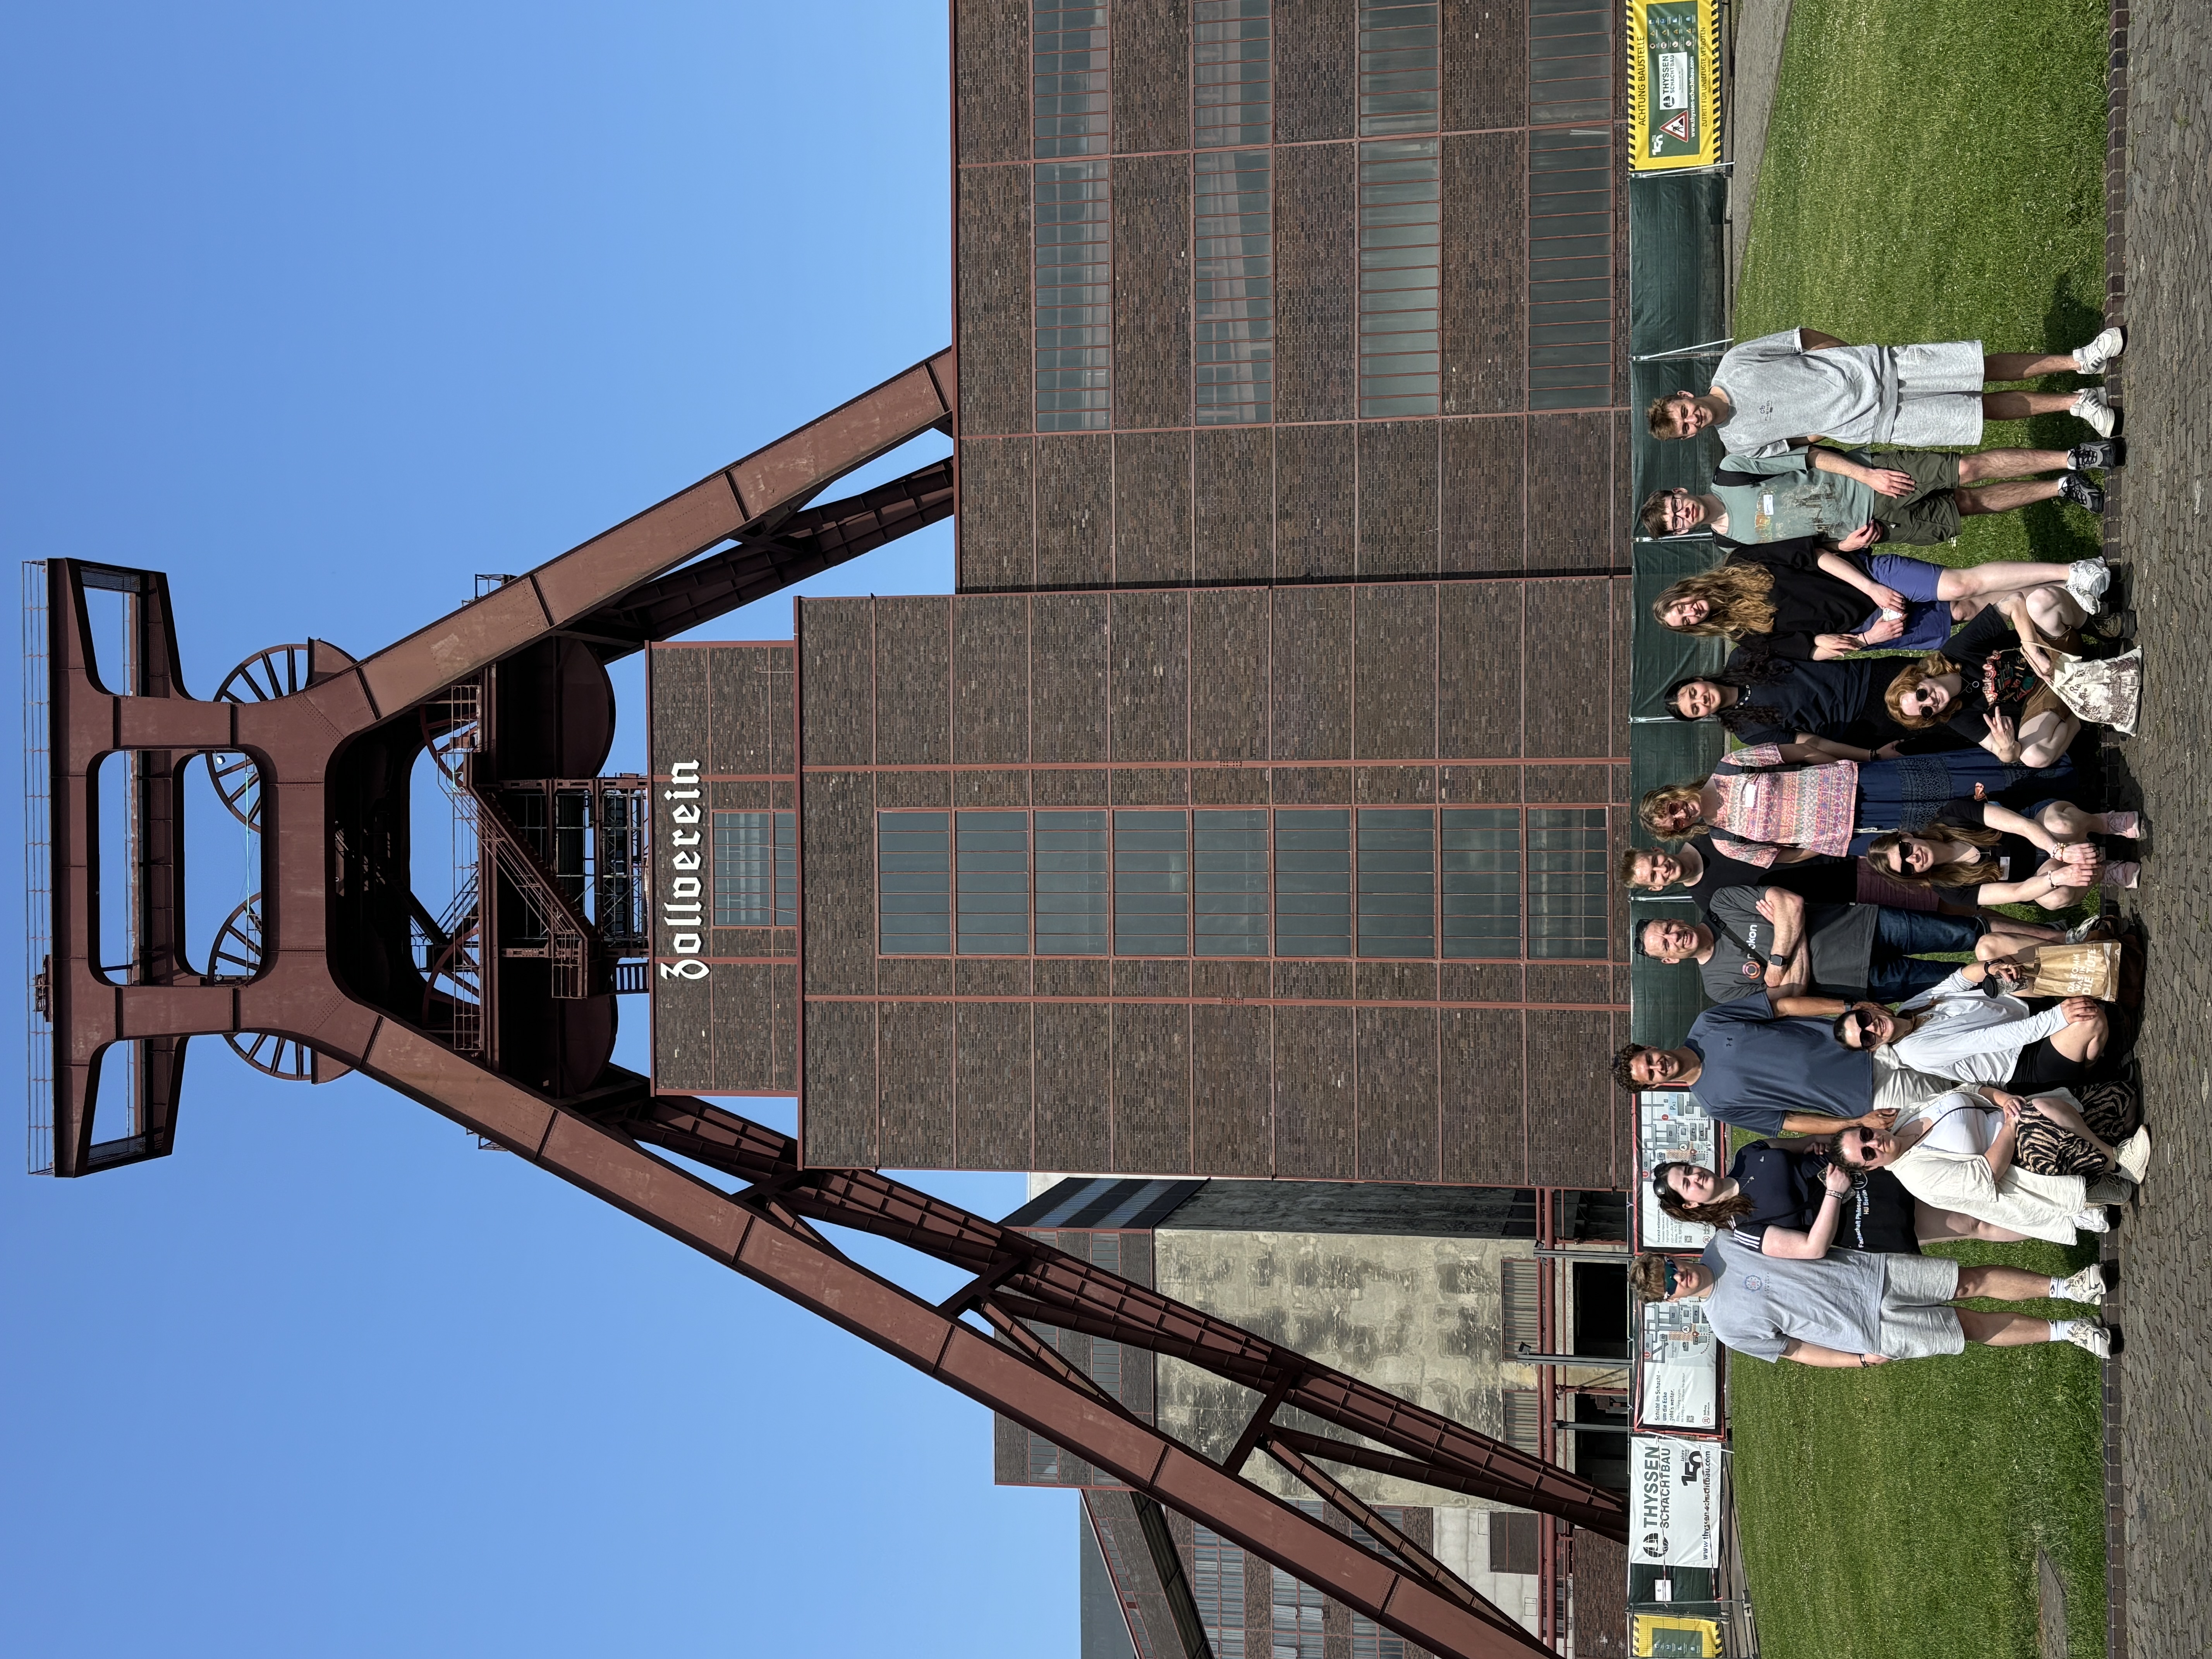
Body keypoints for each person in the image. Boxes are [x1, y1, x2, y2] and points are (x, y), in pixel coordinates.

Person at [1644, 325, 2125, 456]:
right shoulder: (1738, 443)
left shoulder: (1735, 363)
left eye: (1684, 412)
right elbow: (1797, 445)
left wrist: (1853, 360)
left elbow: (1802, 340)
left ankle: (2081, 360)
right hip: (1883, 424)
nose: (1693, 420)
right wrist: (1842, 420)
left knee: (1977, 368)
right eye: (1686, 429)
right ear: (1689, 436)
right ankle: (2077, 404)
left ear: (1685, 397)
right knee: (1979, 414)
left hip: (1881, 368)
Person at [1629, 1237, 2114, 1364]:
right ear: (1670, 1301)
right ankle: (2071, 1332)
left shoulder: (1728, 1242)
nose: (1679, 1277)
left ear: (1672, 1257)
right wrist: (1858, 1360)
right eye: (1669, 1285)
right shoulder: (1727, 1327)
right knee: (1966, 1327)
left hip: (1872, 1273)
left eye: (1670, 1267)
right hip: (1866, 1332)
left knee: (1966, 1283)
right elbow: (1797, 1351)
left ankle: (2069, 1287)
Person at [1648, 539, 2107, 660]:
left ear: (1687, 592)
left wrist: (1872, 588)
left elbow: (1816, 557)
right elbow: (1816, 648)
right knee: (1970, 611)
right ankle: (2059, 598)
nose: (1690, 613)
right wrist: (1870, 638)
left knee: (1961, 586)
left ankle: (2072, 571)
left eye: (1682, 605)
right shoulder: (1744, 636)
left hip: (1868, 578)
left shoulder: (1740, 561)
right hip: (1872, 624)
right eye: (1684, 621)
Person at [1637, 743, 2071, 870]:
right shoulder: (1727, 841)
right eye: (1674, 822)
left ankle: (2053, 767)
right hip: (1862, 833)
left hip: (1862, 783)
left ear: (1674, 793)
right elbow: (1782, 857)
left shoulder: (1731, 766)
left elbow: (1798, 753)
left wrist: (1843, 769)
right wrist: (1828, 843)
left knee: (1952, 781)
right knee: (1948, 827)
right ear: (1680, 833)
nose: (1681, 813)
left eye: (1672, 806)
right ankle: (2053, 825)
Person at [1638, 437, 2117, 545]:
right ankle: (2060, 487)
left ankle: (2073, 457)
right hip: (1874, 527)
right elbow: (1803, 553)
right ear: (1682, 531)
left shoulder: (1731, 472)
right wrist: (1847, 547)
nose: (1684, 515)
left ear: (1679, 492)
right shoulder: (1732, 543)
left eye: (1675, 506)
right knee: (1965, 507)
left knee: (1964, 470)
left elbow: (1807, 456)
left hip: (1871, 479)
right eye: (1677, 523)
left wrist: (1866, 475)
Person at [1634, 888, 2051, 1008]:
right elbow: (1789, 997)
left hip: (1865, 925)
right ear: (1670, 959)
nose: (1674, 936)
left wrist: (1782, 959)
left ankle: (2061, 940)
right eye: (1666, 944)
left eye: (1669, 927)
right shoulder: (1719, 988)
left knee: (1967, 932)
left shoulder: (1723, 904)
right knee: (1967, 985)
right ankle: (2055, 984)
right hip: (1861, 981)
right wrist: (1786, 929)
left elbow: (1793, 902)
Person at [1832, 1088, 2151, 1245]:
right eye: (1868, 1154)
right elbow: (1985, 1176)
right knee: (2039, 1114)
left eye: (1865, 1135)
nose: (1874, 1143)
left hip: (2013, 1115)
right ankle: (2119, 1162)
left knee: (2120, 1097)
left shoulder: (1906, 1117)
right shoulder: (1916, 1176)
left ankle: (2096, 1181)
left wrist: (2001, 1099)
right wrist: (2012, 1125)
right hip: (2018, 1161)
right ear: (1872, 1169)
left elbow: (1970, 1090)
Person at [1612, 991, 1949, 1136]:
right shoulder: (1715, 1105)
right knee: (1957, 1100)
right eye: (1651, 1075)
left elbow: (1784, 1008)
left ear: (1652, 1047)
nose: (1659, 1066)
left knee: (1966, 1055)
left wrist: (1846, 1007)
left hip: (1869, 1042)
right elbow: (1789, 1121)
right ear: (1655, 1086)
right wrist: (1854, 1123)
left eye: (1650, 1060)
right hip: (1870, 1095)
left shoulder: (1709, 1023)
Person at [1885, 604, 2143, 768]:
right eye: (1926, 712)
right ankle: (2085, 713)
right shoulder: (1957, 717)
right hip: (2047, 693)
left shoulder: (1955, 652)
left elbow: (2013, 602)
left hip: (2051, 652)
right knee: (2033, 757)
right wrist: (2008, 748)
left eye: (1920, 695)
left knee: (2040, 601)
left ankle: (2097, 627)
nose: (1930, 703)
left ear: (1921, 678)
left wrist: (2033, 650)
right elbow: (2004, 754)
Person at [1833, 958, 2124, 1092]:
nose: (1872, 1029)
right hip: (2024, 1063)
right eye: (1867, 1039)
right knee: (2090, 1019)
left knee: (1993, 948)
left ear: (1868, 1010)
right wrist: (2057, 1017)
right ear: (1873, 1048)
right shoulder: (1916, 1051)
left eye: (1863, 1021)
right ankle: (2091, 1075)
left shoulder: (1908, 1010)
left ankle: (2097, 961)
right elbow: (1992, 1039)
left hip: (2020, 1014)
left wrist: (1991, 968)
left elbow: (1956, 981)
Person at [1652, 1141, 1935, 1255]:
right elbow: (1812, 1249)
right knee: (1970, 1224)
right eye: (1687, 1184)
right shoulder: (1743, 1229)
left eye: (1689, 1170)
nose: (1696, 1177)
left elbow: (1810, 1142)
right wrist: (1835, 1193)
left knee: (1946, 1186)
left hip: (1867, 1175)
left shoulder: (1747, 1155)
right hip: (1862, 1217)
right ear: (1690, 1205)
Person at [1662, 653, 1954, 756]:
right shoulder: (1748, 732)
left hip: (1868, 676)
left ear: (1698, 679)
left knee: (1951, 678)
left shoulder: (1744, 657)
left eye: (1693, 693)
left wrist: (1866, 639)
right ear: (1704, 716)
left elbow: (1808, 647)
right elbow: (1810, 743)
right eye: (1696, 709)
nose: (1701, 700)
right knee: (1950, 726)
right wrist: (1871, 755)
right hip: (1867, 721)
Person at [1865, 797, 2143, 905]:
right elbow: (2017, 893)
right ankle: (2103, 873)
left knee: (2061, 822)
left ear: (1905, 835)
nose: (1913, 858)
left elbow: (2021, 825)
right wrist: (2056, 876)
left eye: (1904, 849)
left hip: (2039, 829)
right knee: (2054, 897)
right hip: (2037, 873)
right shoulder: (1948, 889)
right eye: (1907, 867)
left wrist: (2058, 850)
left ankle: (2105, 823)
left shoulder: (1951, 816)